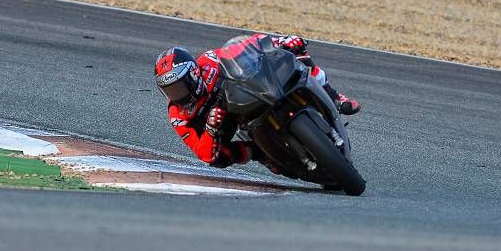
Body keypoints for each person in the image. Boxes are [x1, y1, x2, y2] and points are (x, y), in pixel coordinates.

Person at [154, 34, 360, 169]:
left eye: (179, 86)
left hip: (245, 94)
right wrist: (210, 128)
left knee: (298, 55)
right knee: (218, 159)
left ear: (193, 74)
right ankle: (258, 153)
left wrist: (281, 42)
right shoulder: (177, 115)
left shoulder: (209, 62)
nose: (176, 94)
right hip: (225, 122)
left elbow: (245, 46)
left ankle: (334, 96)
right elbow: (203, 154)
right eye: (169, 90)